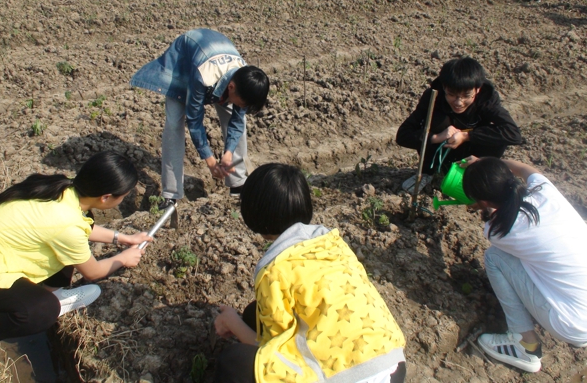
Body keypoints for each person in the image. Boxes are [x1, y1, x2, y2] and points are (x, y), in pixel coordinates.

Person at [213, 163, 407, 383]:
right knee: (253, 314)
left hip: (347, 378)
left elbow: (271, 348)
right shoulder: (332, 243)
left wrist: (232, 323)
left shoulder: (274, 269)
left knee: (233, 361)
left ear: (254, 213)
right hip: (392, 367)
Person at [0, 151, 152, 347]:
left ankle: (52, 292)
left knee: (72, 250)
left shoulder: (62, 189)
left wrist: (124, 238)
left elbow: (80, 229)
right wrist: (124, 259)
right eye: (123, 197)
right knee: (42, 311)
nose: (122, 200)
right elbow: (93, 272)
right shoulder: (67, 226)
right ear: (106, 198)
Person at [461, 156, 587, 373]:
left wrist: (485, 208)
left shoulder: (500, 231)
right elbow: (523, 168)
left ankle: (524, 347)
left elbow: (497, 219)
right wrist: (486, 161)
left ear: (483, 202)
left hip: (573, 324)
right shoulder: (545, 190)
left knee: (495, 258)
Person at [129, 29, 269, 208]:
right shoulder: (203, 75)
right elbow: (194, 120)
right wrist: (210, 162)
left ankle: (237, 184)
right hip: (185, 61)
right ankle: (171, 195)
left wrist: (227, 155)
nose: (241, 108)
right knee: (174, 124)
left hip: (215, 60)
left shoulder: (245, 78)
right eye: (242, 103)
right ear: (231, 87)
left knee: (238, 121)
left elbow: (236, 121)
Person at [396, 57, 522, 192]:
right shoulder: (433, 97)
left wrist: (467, 136)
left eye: (466, 96)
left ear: (477, 89)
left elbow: (513, 134)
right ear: (444, 87)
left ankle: (474, 176)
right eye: (451, 94)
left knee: (496, 135)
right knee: (436, 122)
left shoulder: (487, 100)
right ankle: (429, 173)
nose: (459, 102)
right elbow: (403, 135)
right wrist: (436, 137)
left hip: (472, 157)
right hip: (441, 153)